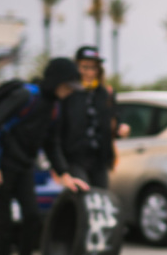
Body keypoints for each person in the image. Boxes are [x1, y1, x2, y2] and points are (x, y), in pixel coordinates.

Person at [0, 57, 90, 255]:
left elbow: (53, 144)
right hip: (2, 166)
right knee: (5, 222)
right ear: (56, 81)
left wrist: (65, 175)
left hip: (24, 167)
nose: (68, 92)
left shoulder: (54, 107)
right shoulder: (24, 96)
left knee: (31, 218)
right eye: (67, 86)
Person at [50, 46, 127, 189]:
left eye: (94, 68)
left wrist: (120, 128)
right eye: (85, 67)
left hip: (99, 159)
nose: (89, 72)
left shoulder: (105, 93)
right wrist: (59, 166)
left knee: (100, 197)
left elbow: (113, 119)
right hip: (73, 158)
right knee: (82, 195)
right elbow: (56, 130)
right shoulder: (68, 92)